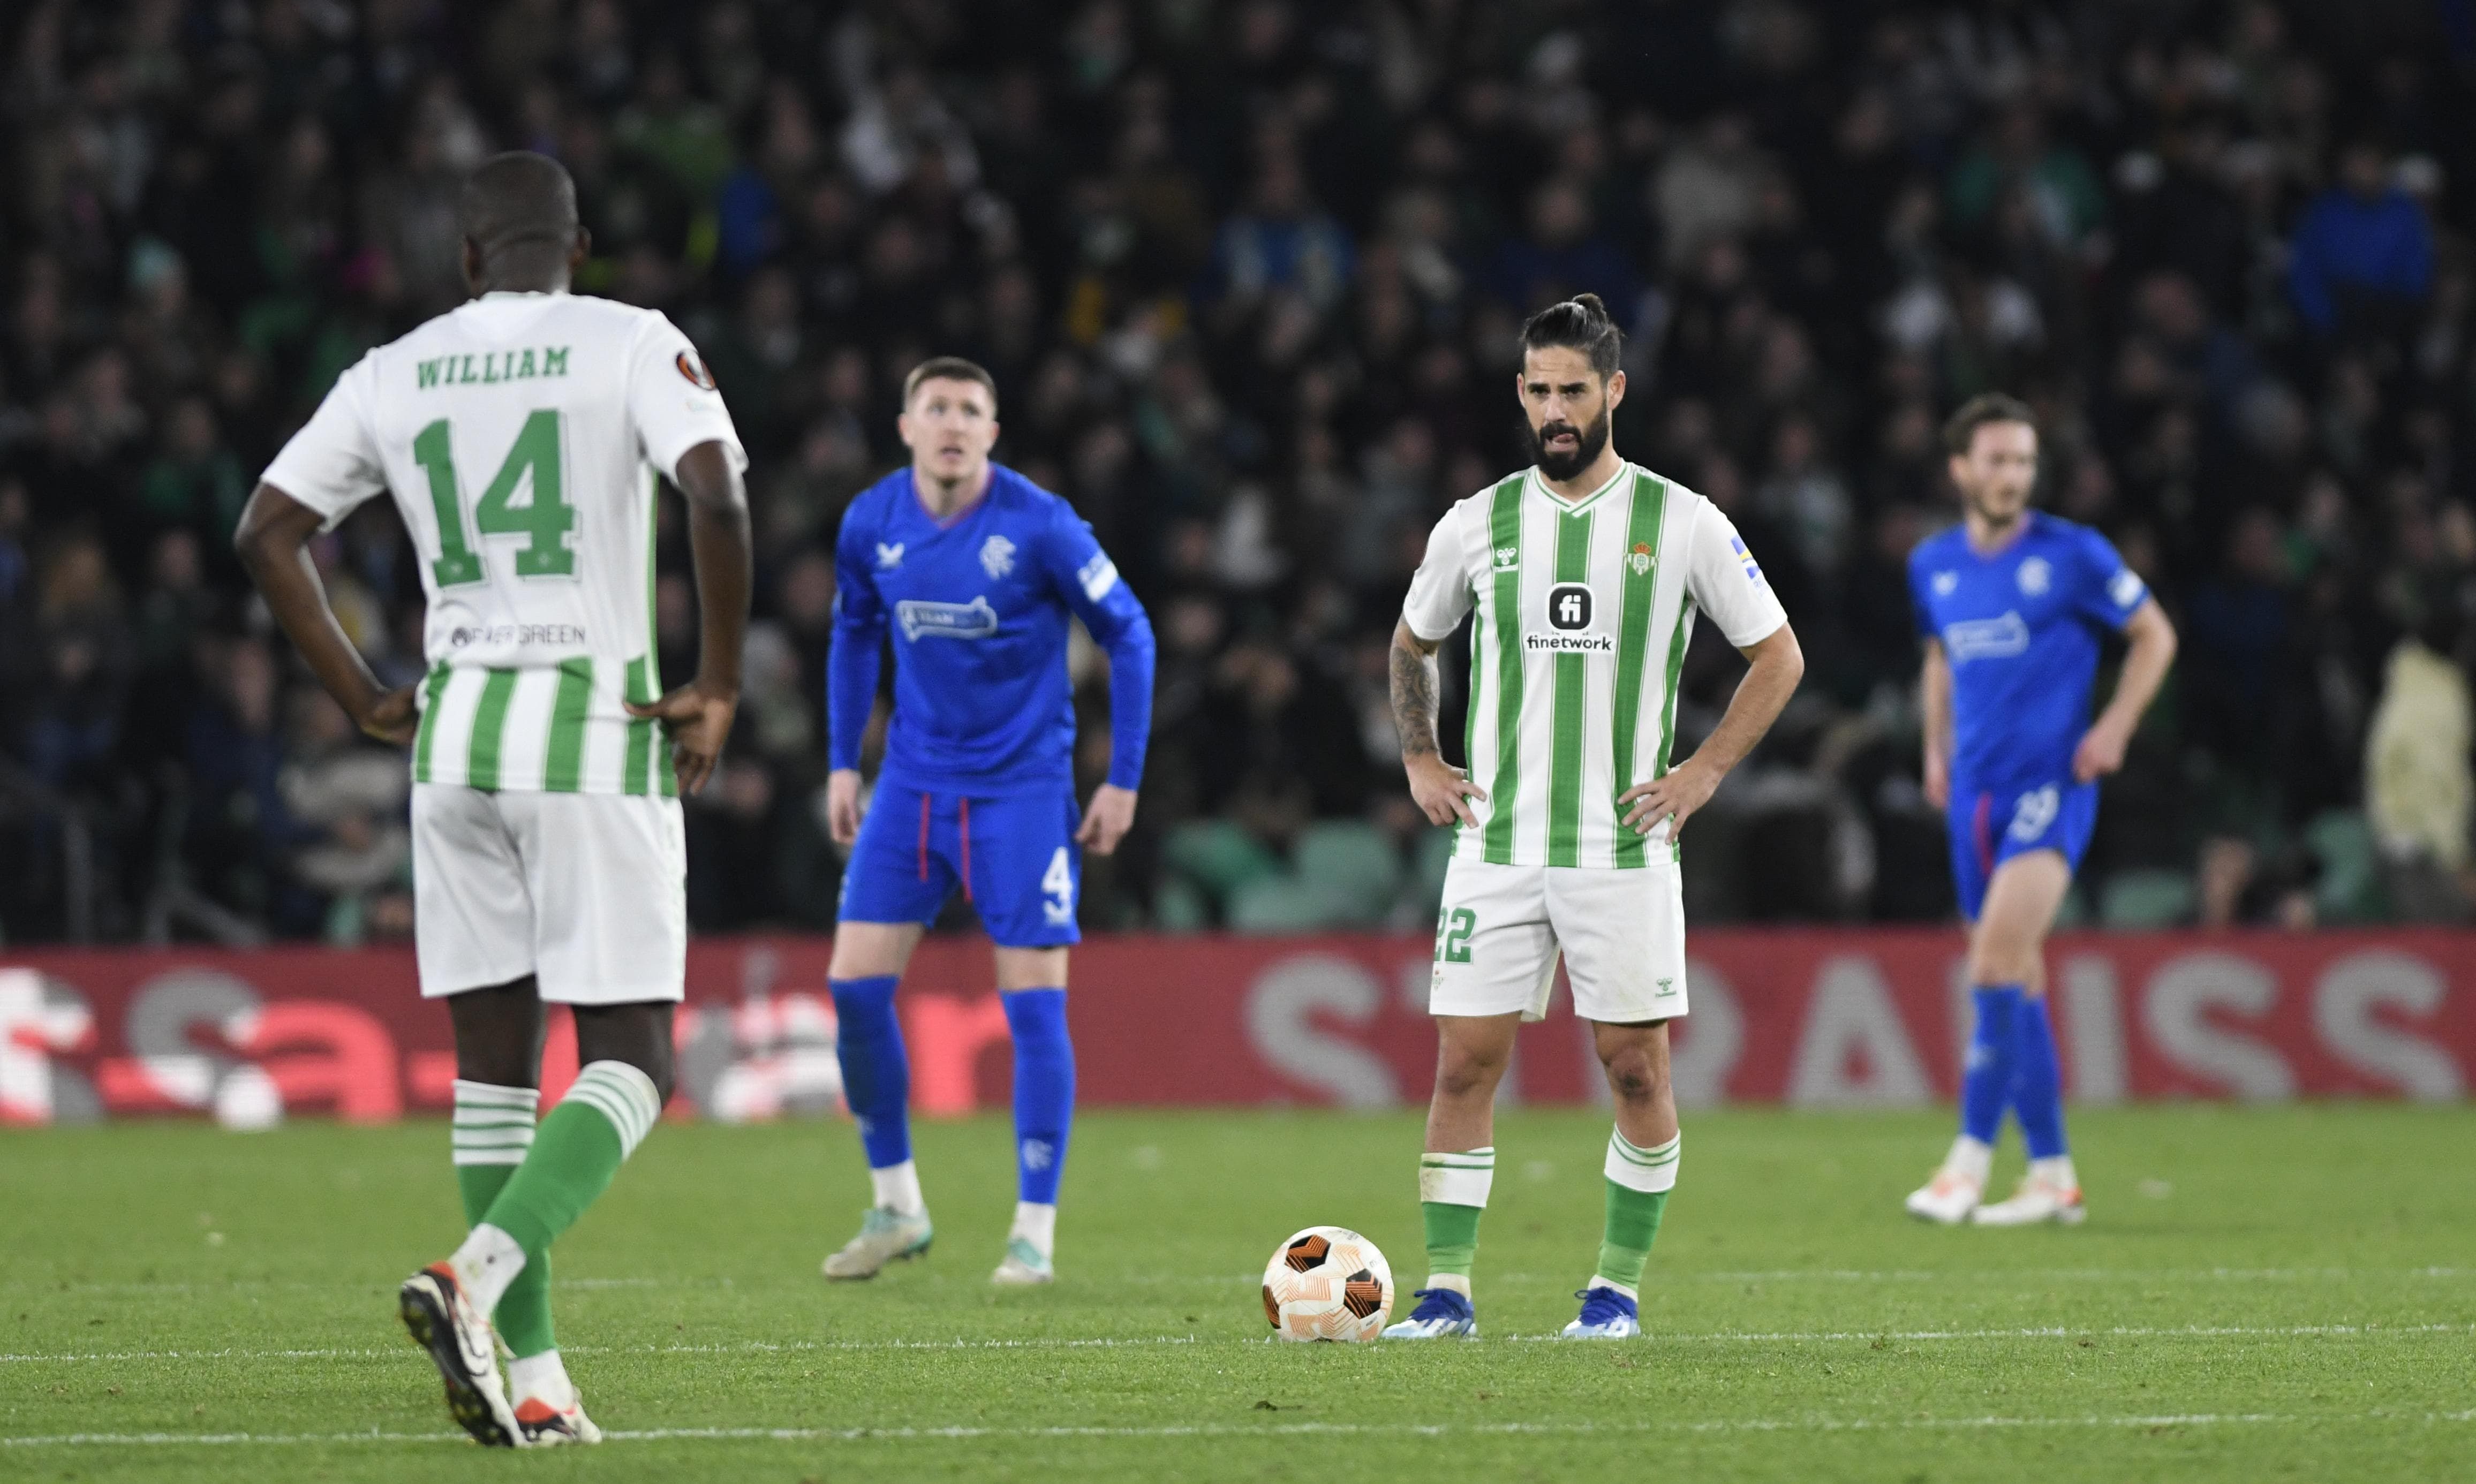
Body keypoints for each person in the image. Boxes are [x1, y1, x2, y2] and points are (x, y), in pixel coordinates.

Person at [234, 151, 750, 1447]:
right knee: (635, 1059)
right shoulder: (631, 340)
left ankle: (537, 1378)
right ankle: (474, 1273)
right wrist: (720, 682)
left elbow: (266, 531)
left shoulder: (391, 370)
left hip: (451, 741)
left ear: (465, 260)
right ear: (576, 246)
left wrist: (360, 695)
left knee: (495, 1079)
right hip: (589, 728)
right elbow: (718, 498)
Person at [1383, 294, 1805, 1341]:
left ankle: (1612, 1293)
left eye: (1574, 389)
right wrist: (1420, 757)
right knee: (1463, 1063)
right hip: (1497, 843)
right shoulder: (1475, 522)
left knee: (1634, 1064)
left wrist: (1702, 772)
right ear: (1519, 396)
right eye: (1538, 391)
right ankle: (1444, 1296)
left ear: (1613, 391)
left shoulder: (1682, 521)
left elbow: (1777, 658)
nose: (1555, 409)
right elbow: (1409, 645)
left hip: (1620, 845)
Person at [820, 356, 1154, 1286]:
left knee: (1033, 1004)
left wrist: (1120, 780)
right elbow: (852, 632)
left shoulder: (1042, 523)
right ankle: (896, 1207)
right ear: (907, 426)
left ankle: (1033, 1235)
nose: (954, 423)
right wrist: (844, 761)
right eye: (937, 407)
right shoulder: (871, 522)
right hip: (912, 788)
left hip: (1021, 794)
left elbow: (1129, 630)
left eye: (971, 409)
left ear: (993, 432)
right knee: (853, 990)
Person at [1903, 393, 2176, 1226]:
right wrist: (1935, 747)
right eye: (1997, 461)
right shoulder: (1933, 564)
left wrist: (2116, 728)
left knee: (1990, 965)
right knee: (2015, 976)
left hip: (2050, 788)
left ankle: (1967, 1163)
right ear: (1961, 470)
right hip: (1974, 797)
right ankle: (2054, 1173)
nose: (2013, 476)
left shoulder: (2074, 555)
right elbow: (1939, 659)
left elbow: (2155, 635)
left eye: (2023, 461)